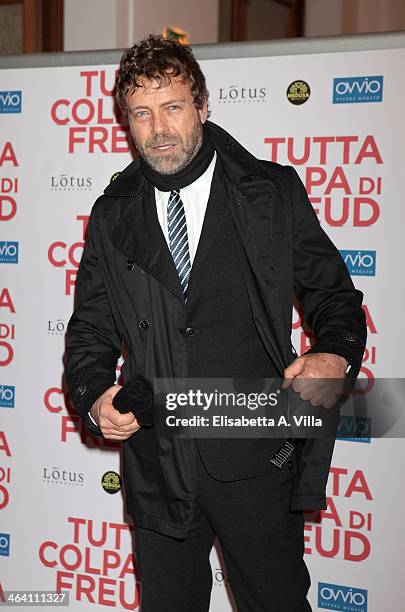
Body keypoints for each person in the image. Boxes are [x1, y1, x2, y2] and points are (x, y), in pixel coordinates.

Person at [65, 35, 367, 612]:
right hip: (158, 455)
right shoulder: (112, 212)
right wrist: (92, 394)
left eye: (173, 107)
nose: (158, 129)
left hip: (254, 448)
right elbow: (90, 329)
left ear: (202, 106)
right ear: (126, 120)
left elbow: (336, 300)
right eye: (142, 113)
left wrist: (334, 355)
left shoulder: (270, 194)